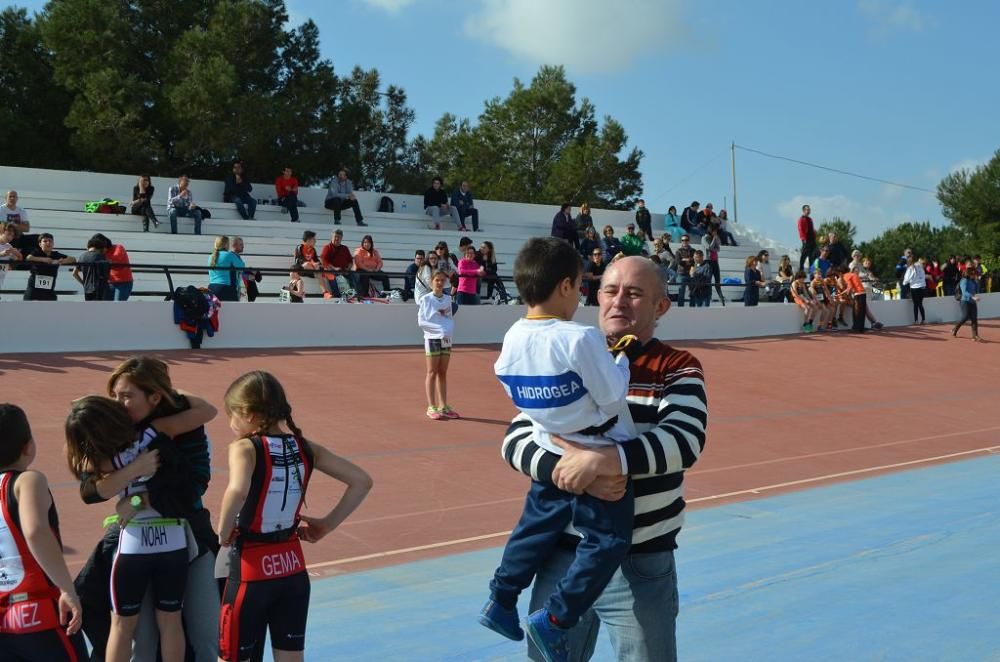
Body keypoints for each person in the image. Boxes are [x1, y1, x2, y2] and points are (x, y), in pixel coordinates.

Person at [499, 254, 706, 662]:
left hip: (639, 564)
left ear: (660, 306)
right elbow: (516, 438)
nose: (619, 302)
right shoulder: (563, 354)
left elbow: (685, 440)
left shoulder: (677, 366)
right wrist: (570, 469)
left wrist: (605, 461)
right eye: (611, 291)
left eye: (634, 293)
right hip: (563, 558)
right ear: (597, 296)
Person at [483, 238, 638, 661]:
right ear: (566, 286)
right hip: (598, 450)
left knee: (533, 531)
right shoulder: (580, 336)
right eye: (583, 286)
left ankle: (501, 597)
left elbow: (515, 392)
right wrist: (620, 361)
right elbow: (610, 395)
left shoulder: (513, 336)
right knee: (609, 539)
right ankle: (555, 619)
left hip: (548, 447)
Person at [217, 371, 373, 662]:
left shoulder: (244, 448)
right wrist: (326, 524)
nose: (230, 425)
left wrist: (223, 531)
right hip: (292, 570)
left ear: (248, 413)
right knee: (290, 657)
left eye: (232, 416)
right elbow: (362, 481)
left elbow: (237, 490)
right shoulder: (306, 448)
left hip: (251, 570)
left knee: (231, 656)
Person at [70, 358, 219, 662]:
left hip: (190, 537)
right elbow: (89, 487)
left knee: (205, 634)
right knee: (143, 639)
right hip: (137, 542)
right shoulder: (112, 430)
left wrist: (139, 501)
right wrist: (132, 471)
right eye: (114, 394)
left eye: (126, 395)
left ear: (154, 397)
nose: (118, 403)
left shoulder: (181, 427)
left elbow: (195, 486)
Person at [0, 403, 88, 661]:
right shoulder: (27, 481)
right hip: (38, 612)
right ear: (28, 446)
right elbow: (36, 531)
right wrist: (67, 589)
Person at [417, 271, 458, 420]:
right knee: (432, 372)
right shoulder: (426, 299)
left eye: (442, 280)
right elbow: (421, 322)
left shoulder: (448, 299)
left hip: (446, 339)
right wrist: (439, 330)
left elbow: (448, 318)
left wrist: (447, 330)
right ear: (431, 282)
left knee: (443, 372)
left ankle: (443, 406)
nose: (439, 283)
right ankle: (431, 407)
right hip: (432, 338)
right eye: (437, 280)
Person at [24, 233, 75, 301]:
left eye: (50, 241)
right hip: (34, 292)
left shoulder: (56, 255)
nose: (48, 243)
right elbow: (28, 258)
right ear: (40, 244)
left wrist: (63, 261)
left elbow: (73, 259)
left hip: (49, 292)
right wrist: (43, 259)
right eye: (45, 241)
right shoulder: (36, 252)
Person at [294, 230, 333, 299]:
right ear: (308, 240)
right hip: (301, 269)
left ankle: (325, 293)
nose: (315, 241)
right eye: (314, 239)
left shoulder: (313, 250)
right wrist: (313, 264)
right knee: (306, 264)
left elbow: (317, 261)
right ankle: (301, 292)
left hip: (311, 270)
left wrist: (320, 265)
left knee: (318, 271)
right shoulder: (300, 247)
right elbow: (299, 260)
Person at [72, 234, 111, 301]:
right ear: (99, 247)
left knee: (90, 309)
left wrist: (83, 283)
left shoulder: (82, 256)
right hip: (99, 289)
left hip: (87, 290)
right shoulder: (100, 256)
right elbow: (106, 274)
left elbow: (74, 273)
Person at [207, 236, 245, 303]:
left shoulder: (210, 256)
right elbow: (242, 267)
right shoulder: (230, 255)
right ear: (227, 244)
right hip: (226, 288)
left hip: (211, 288)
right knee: (231, 312)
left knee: (216, 312)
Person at [952, 263, 984, 342]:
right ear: (968, 273)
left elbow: (975, 290)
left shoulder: (973, 281)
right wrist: (973, 297)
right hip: (965, 301)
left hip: (972, 302)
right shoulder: (964, 280)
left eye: (975, 273)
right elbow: (964, 292)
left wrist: (977, 281)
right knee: (965, 317)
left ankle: (975, 336)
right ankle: (955, 329)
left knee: (974, 319)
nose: (974, 275)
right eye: (973, 273)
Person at [319, 229, 355, 297]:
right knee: (331, 276)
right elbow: (323, 260)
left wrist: (348, 268)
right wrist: (334, 268)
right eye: (335, 236)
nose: (337, 238)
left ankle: (354, 294)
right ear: (332, 237)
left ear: (341, 238)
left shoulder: (345, 248)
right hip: (332, 270)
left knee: (354, 275)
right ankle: (337, 296)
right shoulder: (327, 247)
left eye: (339, 237)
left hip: (344, 270)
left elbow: (350, 261)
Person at [105, 236, 135, 302]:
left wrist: (101, 258)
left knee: (118, 305)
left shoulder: (119, 247)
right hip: (109, 283)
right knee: (107, 306)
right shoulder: (102, 252)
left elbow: (116, 259)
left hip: (123, 282)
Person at [702, 225, 727, 305]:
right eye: (714, 231)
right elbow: (709, 247)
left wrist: (715, 240)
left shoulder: (714, 237)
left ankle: (721, 298)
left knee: (717, 280)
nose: (715, 233)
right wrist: (713, 240)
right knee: (708, 281)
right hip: (708, 261)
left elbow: (718, 248)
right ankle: (708, 298)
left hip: (715, 261)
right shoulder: (704, 238)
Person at [841, 265, 868, 333]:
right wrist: (841, 293)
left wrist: (846, 295)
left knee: (856, 312)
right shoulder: (853, 275)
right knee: (861, 312)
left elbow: (849, 287)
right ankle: (860, 328)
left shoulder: (846, 276)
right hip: (863, 293)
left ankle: (855, 328)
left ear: (841, 272)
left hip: (858, 294)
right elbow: (850, 287)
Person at [0, 223, 24, 298]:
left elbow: (18, 259)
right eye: (9, 234)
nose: (10, 237)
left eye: (12, 236)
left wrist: (17, 256)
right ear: (1, 231)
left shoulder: (9, 246)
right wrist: (1, 254)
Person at [670, 235, 695, 307]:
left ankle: (692, 309)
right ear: (681, 241)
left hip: (691, 274)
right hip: (681, 274)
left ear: (689, 241)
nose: (684, 241)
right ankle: (680, 309)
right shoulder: (678, 251)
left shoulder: (693, 251)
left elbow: (695, 261)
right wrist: (689, 260)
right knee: (681, 293)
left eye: (686, 240)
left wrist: (685, 259)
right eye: (683, 240)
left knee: (692, 293)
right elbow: (678, 261)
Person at [903, 256, 927, 324]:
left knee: (916, 304)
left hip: (914, 288)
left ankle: (916, 320)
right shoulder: (920, 267)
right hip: (922, 287)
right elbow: (923, 276)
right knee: (920, 304)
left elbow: (906, 280)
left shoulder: (910, 268)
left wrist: (904, 283)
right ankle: (924, 319)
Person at [797, 204, 816, 272]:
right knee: (804, 254)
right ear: (803, 210)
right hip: (806, 239)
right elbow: (800, 229)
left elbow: (812, 228)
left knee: (812, 255)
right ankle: (801, 268)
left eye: (809, 210)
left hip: (812, 239)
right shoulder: (801, 219)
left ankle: (811, 270)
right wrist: (803, 238)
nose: (808, 211)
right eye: (807, 210)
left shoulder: (810, 219)